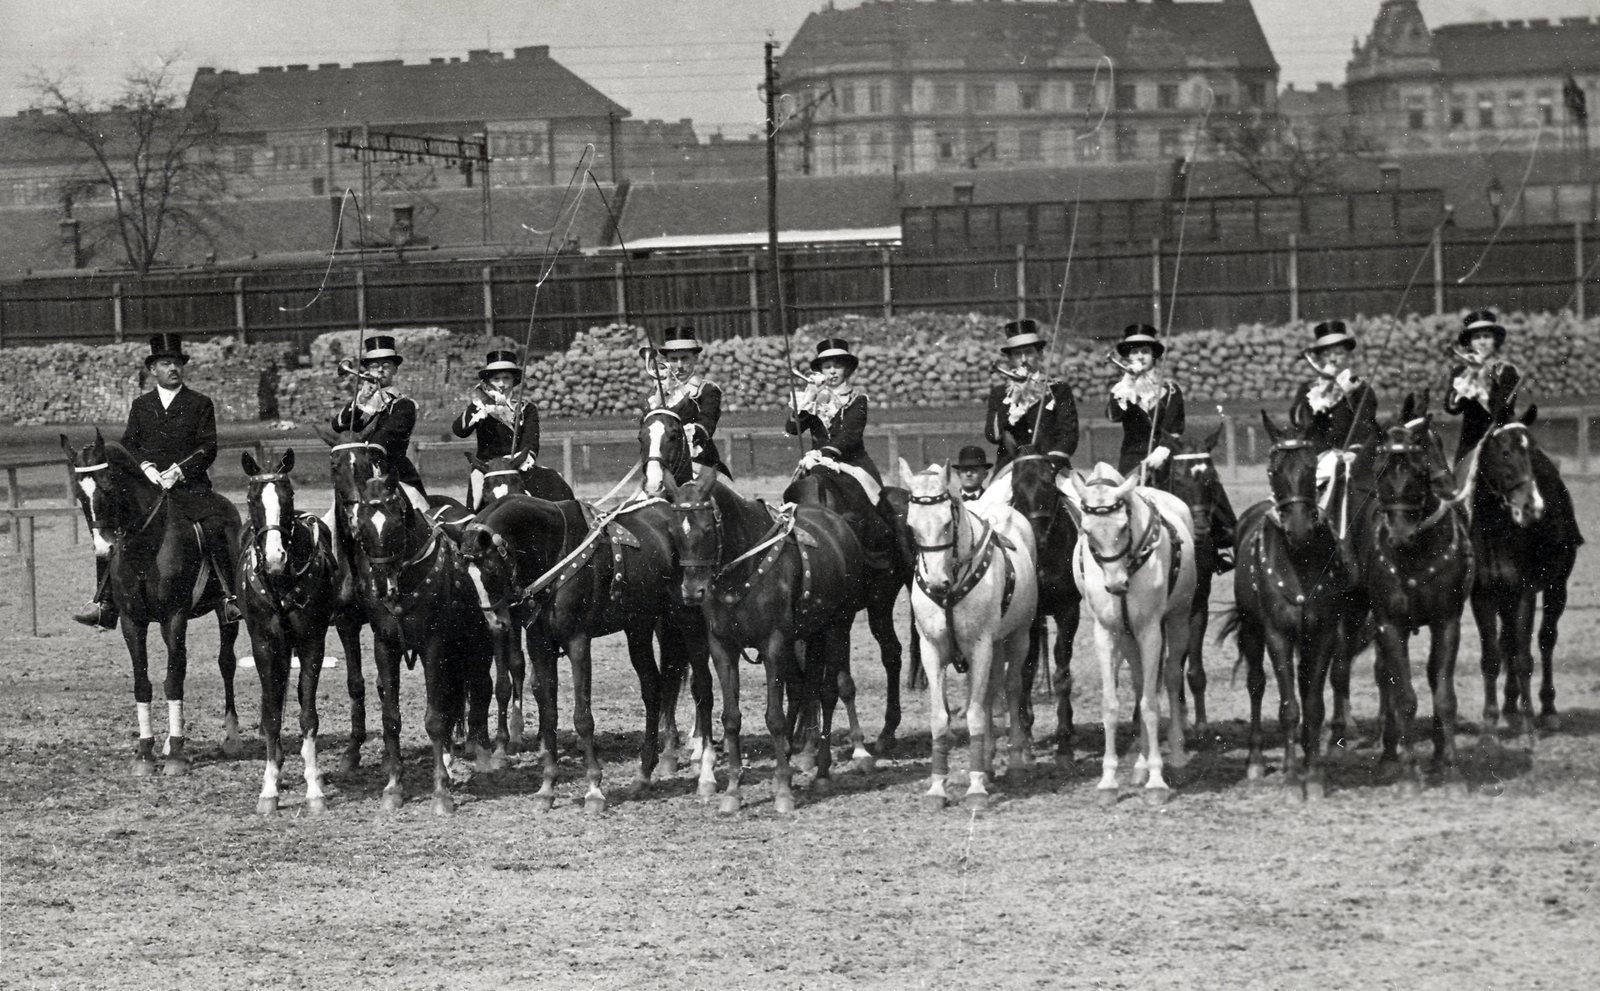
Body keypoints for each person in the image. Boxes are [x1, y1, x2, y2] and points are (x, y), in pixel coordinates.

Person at [74, 334, 241, 628]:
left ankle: (229, 596)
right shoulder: (142, 405)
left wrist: (177, 472)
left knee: (216, 525)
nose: (173, 369)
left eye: (177, 363)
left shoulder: (200, 403)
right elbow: (130, 445)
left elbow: (207, 447)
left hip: (189, 489)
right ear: (154, 369)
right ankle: (104, 602)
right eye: (166, 363)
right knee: (109, 533)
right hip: (147, 490)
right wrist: (147, 467)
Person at [786, 337, 898, 565]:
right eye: (827, 367)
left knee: (870, 506)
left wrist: (826, 453)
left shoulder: (858, 399)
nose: (832, 372)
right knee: (791, 498)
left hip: (852, 463)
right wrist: (808, 395)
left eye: (837, 366)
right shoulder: (813, 396)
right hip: (816, 462)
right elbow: (792, 429)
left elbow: (850, 434)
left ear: (847, 369)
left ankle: (878, 556)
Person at [1288, 320, 1381, 516]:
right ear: (1320, 359)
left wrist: (1355, 451)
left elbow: (1365, 424)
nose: (1333, 359)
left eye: (1338, 354)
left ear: (1347, 356)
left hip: (1351, 456)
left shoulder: (1360, 389)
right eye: (1326, 354)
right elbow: (1298, 420)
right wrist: (1319, 394)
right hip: (1315, 456)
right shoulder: (1308, 389)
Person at [331, 335, 429, 512]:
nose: (380, 371)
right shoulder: (362, 402)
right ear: (367, 370)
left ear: (395, 370)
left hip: (395, 475)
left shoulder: (405, 404)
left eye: (386, 366)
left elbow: (389, 433)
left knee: (421, 514)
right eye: (375, 366)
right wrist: (361, 400)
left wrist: (377, 402)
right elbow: (339, 426)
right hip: (359, 476)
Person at [984, 319, 1078, 471]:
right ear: (1010, 359)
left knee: (1077, 495)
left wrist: (1051, 463)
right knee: (989, 496)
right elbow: (992, 435)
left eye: (1028, 353)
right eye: (1017, 354)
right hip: (1010, 469)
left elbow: (1069, 435)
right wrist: (1013, 397)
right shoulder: (999, 393)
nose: (1023, 360)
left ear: (1039, 353)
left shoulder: (1059, 390)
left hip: (1051, 468)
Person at [641, 326, 731, 479]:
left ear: (695, 358)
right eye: (673, 359)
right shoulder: (657, 392)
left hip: (699, 463)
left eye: (684, 358)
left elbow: (707, 424)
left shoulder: (707, 389)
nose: (679, 365)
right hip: (663, 465)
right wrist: (660, 391)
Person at [453, 349, 539, 506]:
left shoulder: (527, 408)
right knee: (475, 507)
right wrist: (479, 405)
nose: (501, 384)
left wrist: (520, 459)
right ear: (488, 382)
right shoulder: (481, 407)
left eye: (506, 378)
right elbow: (459, 431)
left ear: (514, 380)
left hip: (516, 466)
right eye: (496, 379)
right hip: (487, 468)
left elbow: (531, 442)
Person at [1108, 324, 1183, 480]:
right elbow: (1113, 416)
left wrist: (1162, 451)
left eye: (1145, 351)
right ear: (1129, 357)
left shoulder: (1171, 390)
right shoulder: (1121, 389)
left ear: (1154, 355)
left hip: (1166, 461)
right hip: (1131, 465)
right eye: (1134, 352)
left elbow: (1175, 429)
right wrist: (1128, 383)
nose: (1140, 356)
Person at [1444, 309, 1520, 463]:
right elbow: (1452, 408)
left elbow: (1501, 410)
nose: (1482, 342)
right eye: (1477, 337)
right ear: (1470, 343)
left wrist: (1484, 376)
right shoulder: (1460, 373)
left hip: (1501, 442)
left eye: (1487, 336)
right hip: (1470, 444)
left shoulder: (1506, 370)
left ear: (1495, 341)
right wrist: (1471, 374)